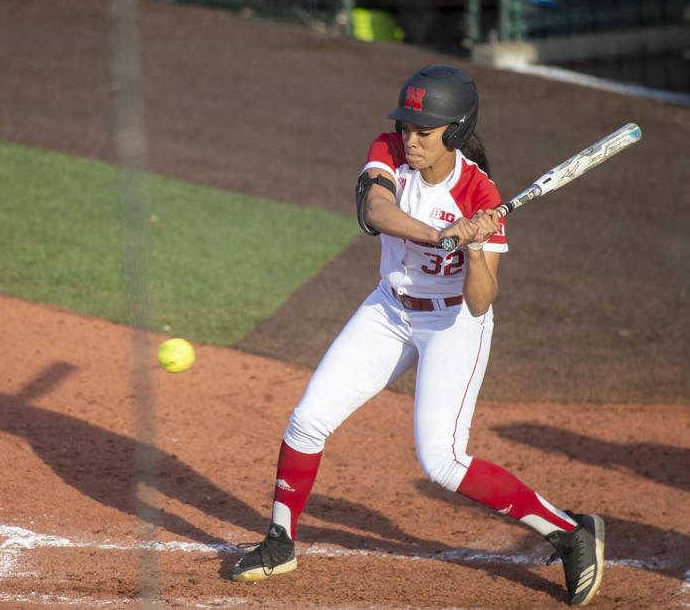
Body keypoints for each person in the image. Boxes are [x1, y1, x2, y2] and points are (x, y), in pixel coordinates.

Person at [231, 65, 605, 606]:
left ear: (453, 133)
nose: (409, 139)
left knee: (443, 462)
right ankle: (279, 540)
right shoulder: (387, 151)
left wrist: (475, 248)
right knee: (308, 420)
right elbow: (377, 211)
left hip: (452, 323)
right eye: (406, 126)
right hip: (389, 310)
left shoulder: (481, 194)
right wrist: (440, 234)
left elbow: (481, 300)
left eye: (423, 132)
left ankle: (570, 533)